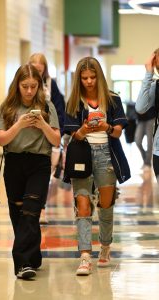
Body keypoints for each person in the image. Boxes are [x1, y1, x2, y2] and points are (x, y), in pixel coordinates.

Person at [63, 57, 130, 276]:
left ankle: (105, 245)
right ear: (79, 79)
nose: (89, 81)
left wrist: (106, 126)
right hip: (82, 155)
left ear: (99, 77)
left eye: (93, 77)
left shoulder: (112, 99)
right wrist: (84, 130)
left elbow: (119, 132)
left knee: (105, 204)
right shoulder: (73, 102)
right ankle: (84, 256)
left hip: (107, 156)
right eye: (84, 78)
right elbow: (74, 135)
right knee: (82, 205)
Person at [0, 64, 60, 280]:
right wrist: (19, 125)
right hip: (14, 163)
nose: (29, 91)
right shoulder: (8, 108)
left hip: (39, 164)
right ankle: (33, 255)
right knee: (19, 216)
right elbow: (1, 139)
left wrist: (42, 125)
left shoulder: (47, 107)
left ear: (39, 86)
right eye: (25, 86)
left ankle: (21, 263)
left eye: (33, 86)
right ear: (17, 85)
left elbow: (56, 140)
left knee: (31, 211)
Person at [28, 53, 65, 223]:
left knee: (44, 175)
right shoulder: (21, 83)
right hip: (28, 135)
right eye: (34, 62)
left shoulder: (51, 84)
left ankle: (41, 208)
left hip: (48, 135)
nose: (37, 65)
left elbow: (60, 109)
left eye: (40, 63)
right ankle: (29, 207)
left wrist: (59, 131)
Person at [135, 48, 159, 181]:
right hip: (158, 153)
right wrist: (148, 73)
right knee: (138, 140)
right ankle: (146, 161)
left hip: (150, 120)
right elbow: (140, 107)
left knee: (149, 142)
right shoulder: (155, 86)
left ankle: (147, 162)